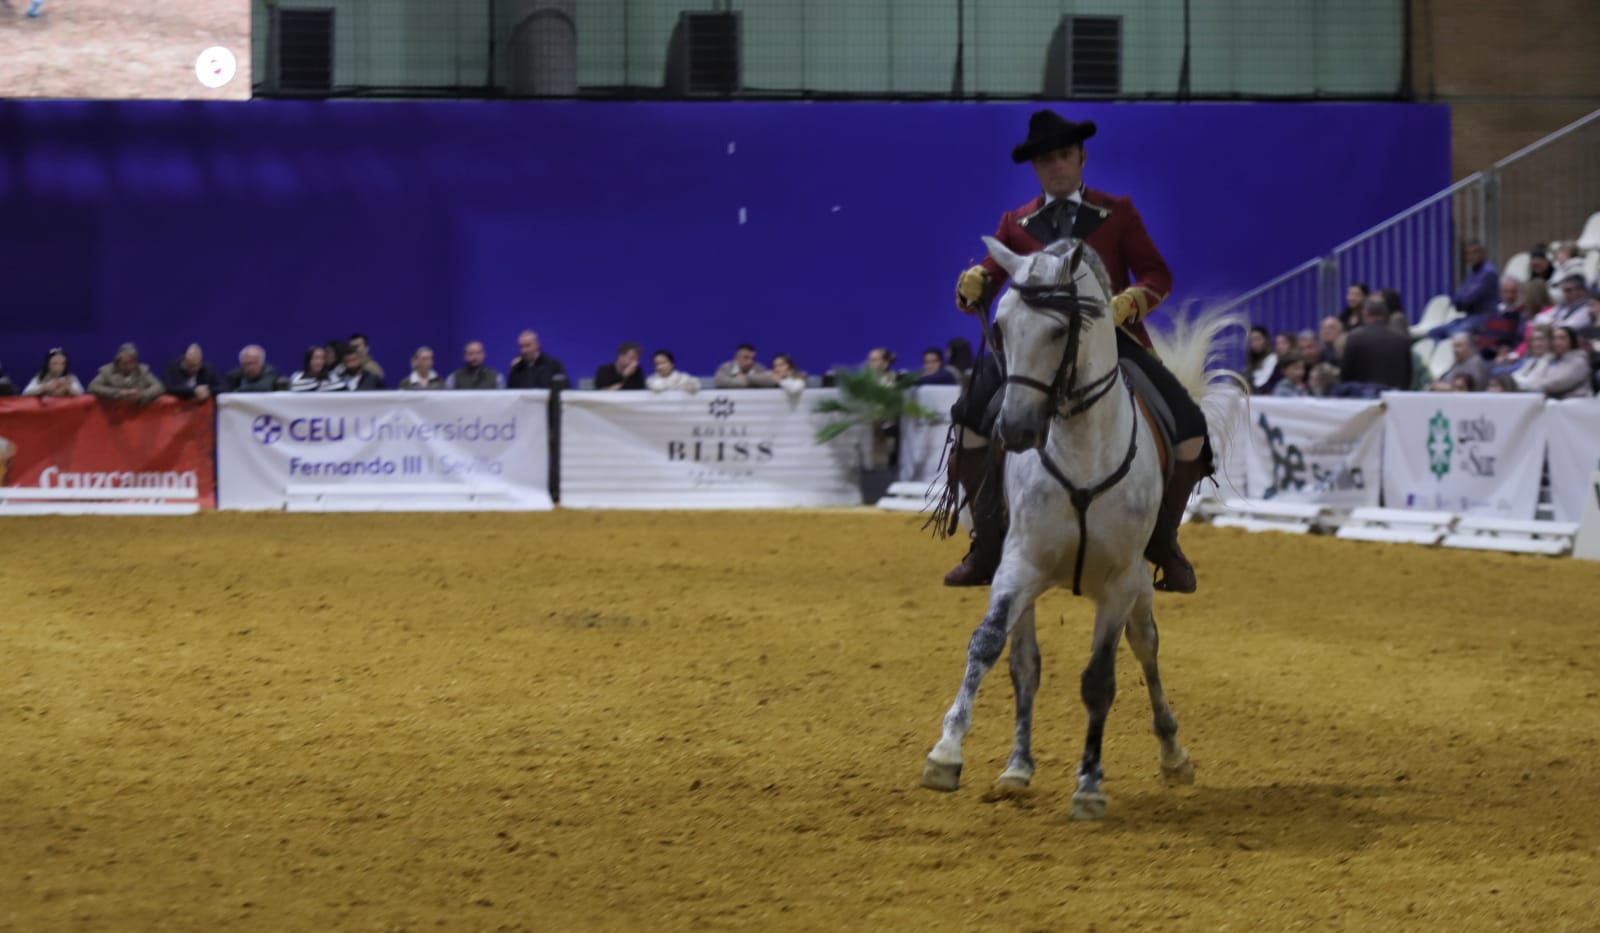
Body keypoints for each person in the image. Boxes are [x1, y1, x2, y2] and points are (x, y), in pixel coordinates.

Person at [947, 109, 1209, 593]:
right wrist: (972, 286)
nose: (1057, 166)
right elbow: (987, 281)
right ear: (1036, 167)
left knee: (1191, 430)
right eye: (1046, 159)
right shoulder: (1015, 222)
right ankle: (986, 545)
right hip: (1035, 354)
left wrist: (1129, 301)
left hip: (1113, 346)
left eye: (1064, 155)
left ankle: (1162, 540)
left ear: (1082, 158)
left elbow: (1158, 276)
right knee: (966, 427)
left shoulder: (1119, 213)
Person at [1339, 295, 1412, 391]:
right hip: (1395, 398)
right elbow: (1409, 375)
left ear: (1365, 313)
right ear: (1386, 314)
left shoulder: (1355, 338)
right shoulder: (1401, 339)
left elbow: (1346, 375)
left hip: (1363, 400)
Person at [1521, 327, 1594, 399]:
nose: (1557, 342)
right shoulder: (1550, 359)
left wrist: (1526, 385)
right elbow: (1535, 378)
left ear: (1572, 341)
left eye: (1562, 338)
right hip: (1552, 402)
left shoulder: (1579, 362)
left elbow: (1555, 385)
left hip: (1574, 403)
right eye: (1554, 338)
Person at [88, 343, 164, 404]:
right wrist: (119, 393)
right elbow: (93, 386)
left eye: (131, 362)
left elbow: (158, 386)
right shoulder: (107, 371)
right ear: (117, 361)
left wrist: (141, 395)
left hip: (138, 414)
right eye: (124, 363)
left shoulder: (142, 371)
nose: (128, 366)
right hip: (114, 415)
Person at [1451, 240, 1499, 321]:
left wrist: (1460, 302)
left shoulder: (1489, 272)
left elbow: (1469, 300)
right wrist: (1458, 302)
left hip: (1485, 318)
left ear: (1482, 253)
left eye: (1475, 252)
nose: (1471, 256)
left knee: (1453, 332)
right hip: (1471, 317)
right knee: (1436, 331)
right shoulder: (1472, 272)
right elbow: (1458, 296)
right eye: (1467, 253)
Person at [1510, 325, 1555, 391]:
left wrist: (1511, 382)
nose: (1537, 343)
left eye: (1541, 339)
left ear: (1550, 341)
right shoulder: (1531, 360)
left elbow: (1535, 384)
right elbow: (1516, 375)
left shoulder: (1553, 361)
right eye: (1534, 340)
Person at [1245, 326, 1277, 393]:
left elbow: (1260, 384)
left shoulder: (1272, 358)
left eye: (1258, 339)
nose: (1255, 343)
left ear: (1266, 339)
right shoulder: (1252, 360)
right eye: (1252, 340)